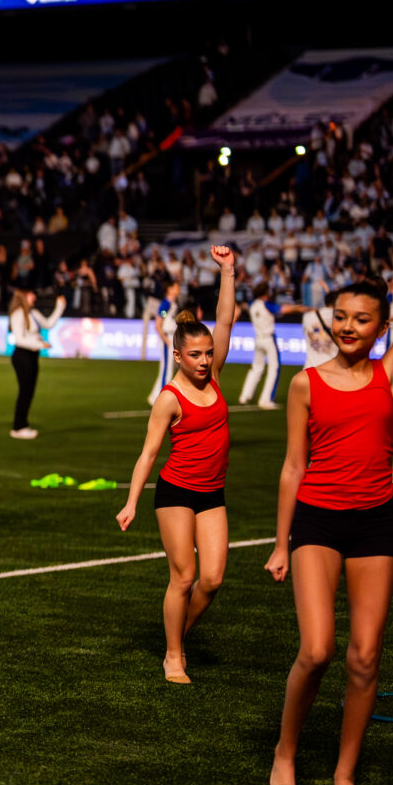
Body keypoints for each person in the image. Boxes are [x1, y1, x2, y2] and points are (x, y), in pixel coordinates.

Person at [265, 176, 393, 785]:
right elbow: (292, 468)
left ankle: (345, 775)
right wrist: (280, 543)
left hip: (373, 523)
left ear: (382, 326)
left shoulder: (392, 373)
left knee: (365, 657)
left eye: (360, 319)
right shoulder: (305, 384)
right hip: (317, 521)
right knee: (316, 650)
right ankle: (285, 755)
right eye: (339, 316)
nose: (347, 326)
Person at [114, 246, 237, 684]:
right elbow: (148, 453)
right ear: (179, 355)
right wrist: (131, 503)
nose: (205, 361)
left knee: (214, 578)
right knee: (184, 577)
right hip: (176, 492)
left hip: (212, 493)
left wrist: (227, 272)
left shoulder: (216, 377)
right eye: (197, 355)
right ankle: (172, 655)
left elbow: (224, 319)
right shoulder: (170, 398)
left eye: (209, 354)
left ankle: (177, 634)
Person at [6, 288, 64, 439]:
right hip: (22, 355)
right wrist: (39, 344)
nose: (34, 296)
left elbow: (48, 324)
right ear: (24, 296)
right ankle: (18, 426)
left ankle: (22, 423)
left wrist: (59, 307)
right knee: (25, 391)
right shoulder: (18, 314)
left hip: (32, 355)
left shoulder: (33, 312)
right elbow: (18, 339)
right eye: (31, 294)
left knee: (29, 391)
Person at [239, 286, 306, 410]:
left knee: (256, 368)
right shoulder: (267, 305)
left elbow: (244, 306)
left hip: (258, 338)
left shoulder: (252, 305)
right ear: (265, 293)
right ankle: (266, 399)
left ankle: (245, 396)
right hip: (268, 339)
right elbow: (284, 309)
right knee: (274, 369)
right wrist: (298, 307)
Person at [146, 279, 182, 403]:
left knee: (168, 369)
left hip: (172, 336)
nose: (179, 289)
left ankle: (154, 397)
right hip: (168, 337)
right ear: (170, 289)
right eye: (177, 287)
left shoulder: (173, 303)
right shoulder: (166, 304)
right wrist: (166, 340)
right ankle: (162, 398)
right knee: (167, 369)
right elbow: (159, 322)